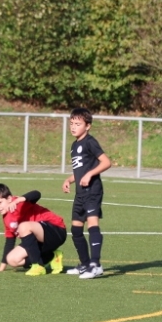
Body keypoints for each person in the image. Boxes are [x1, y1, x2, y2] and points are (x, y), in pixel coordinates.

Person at [62, 108, 111, 279]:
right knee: (76, 229)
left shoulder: (90, 142)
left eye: (78, 124)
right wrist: (70, 179)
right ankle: (84, 264)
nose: (73, 127)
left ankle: (95, 265)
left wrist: (90, 175)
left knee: (92, 224)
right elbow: (80, 169)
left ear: (87, 126)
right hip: (80, 193)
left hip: (92, 191)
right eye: (71, 123)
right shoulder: (74, 145)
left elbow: (106, 162)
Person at [0, 183, 66, 276]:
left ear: (9, 199)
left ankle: (38, 266)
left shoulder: (19, 204)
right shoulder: (6, 219)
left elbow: (36, 194)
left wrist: (18, 200)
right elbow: (9, 242)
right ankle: (51, 257)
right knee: (12, 260)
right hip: (41, 242)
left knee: (23, 226)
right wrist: (2, 267)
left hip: (56, 231)